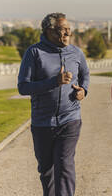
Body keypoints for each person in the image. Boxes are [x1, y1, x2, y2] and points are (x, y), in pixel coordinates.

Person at [18, 13, 90, 196]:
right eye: (62, 29)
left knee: (65, 165)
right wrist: (54, 82)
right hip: (42, 122)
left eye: (69, 30)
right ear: (49, 31)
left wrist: (83, 91)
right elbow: (23, 87)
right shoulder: (34, 53)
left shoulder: (76, 53)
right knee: (46, 170)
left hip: (70, 119)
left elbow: (85, 75)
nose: (67, 33)